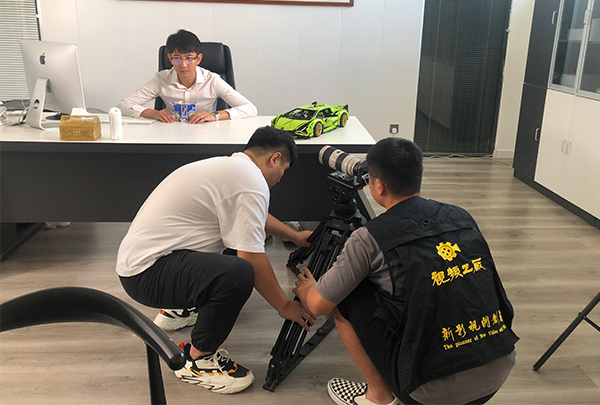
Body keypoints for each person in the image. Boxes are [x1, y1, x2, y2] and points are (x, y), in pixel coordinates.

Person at [293, 138, 518, 405]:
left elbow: (317, 305)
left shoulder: (369, 237)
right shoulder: (461, 216)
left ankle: (378, 397)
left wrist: (307, 290)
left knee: (347, 295)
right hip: (499, 366)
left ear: (377, 186)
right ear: (420, 176)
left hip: (428, 392)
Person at [116, 126, 315, 395]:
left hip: (144, 264)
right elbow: (251, 257)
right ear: (275, 158)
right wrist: (284, 306)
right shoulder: (250, 182)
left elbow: (254, 217)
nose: (281, 178)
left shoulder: (232, 169)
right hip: (148, 274)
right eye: (284, 170)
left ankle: (181, 309)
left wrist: (294, 236)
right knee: (239, 272)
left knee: (236, 250)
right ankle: (198, 360)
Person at [117, 29, 257, 123]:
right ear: (170, 59)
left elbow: (250, 109)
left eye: (189, 58)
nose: (183, 65)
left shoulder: (212, 80)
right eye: (177, 58)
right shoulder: (161, 79)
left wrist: (214, 115)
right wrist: (153, 113)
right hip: (171, 134)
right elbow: (123, 106)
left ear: (198, 59)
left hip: (207, 133)